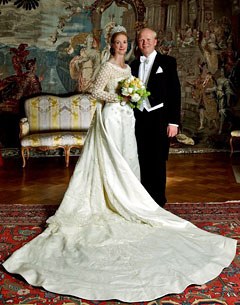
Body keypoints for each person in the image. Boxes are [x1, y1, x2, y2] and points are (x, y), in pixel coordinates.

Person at [2, 26, 237, 303]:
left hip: (136, 120)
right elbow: (94, 90)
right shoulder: (117, 65)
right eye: (123, 42)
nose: (128, 45)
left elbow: (173, 93)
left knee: (142, 162)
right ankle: (122, 199)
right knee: (116, 161)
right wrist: (122, 97)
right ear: (113, 44)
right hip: (115, 118)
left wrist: (170, 120)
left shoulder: (144, 65)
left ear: (150, 42)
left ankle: (148, 201)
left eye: (131, 41)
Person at [130, 27, 181, 207]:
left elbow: (175, 93)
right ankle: (143, 200)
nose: (145, 43)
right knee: (141, 158)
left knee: (158, 159)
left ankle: (158, 201)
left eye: (148, 39)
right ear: (138, 42)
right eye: (142, 40)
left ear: (155, 41)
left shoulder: (168, 62)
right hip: (139, 119)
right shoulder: (133, 65)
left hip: (160, 118)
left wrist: (174, 122)